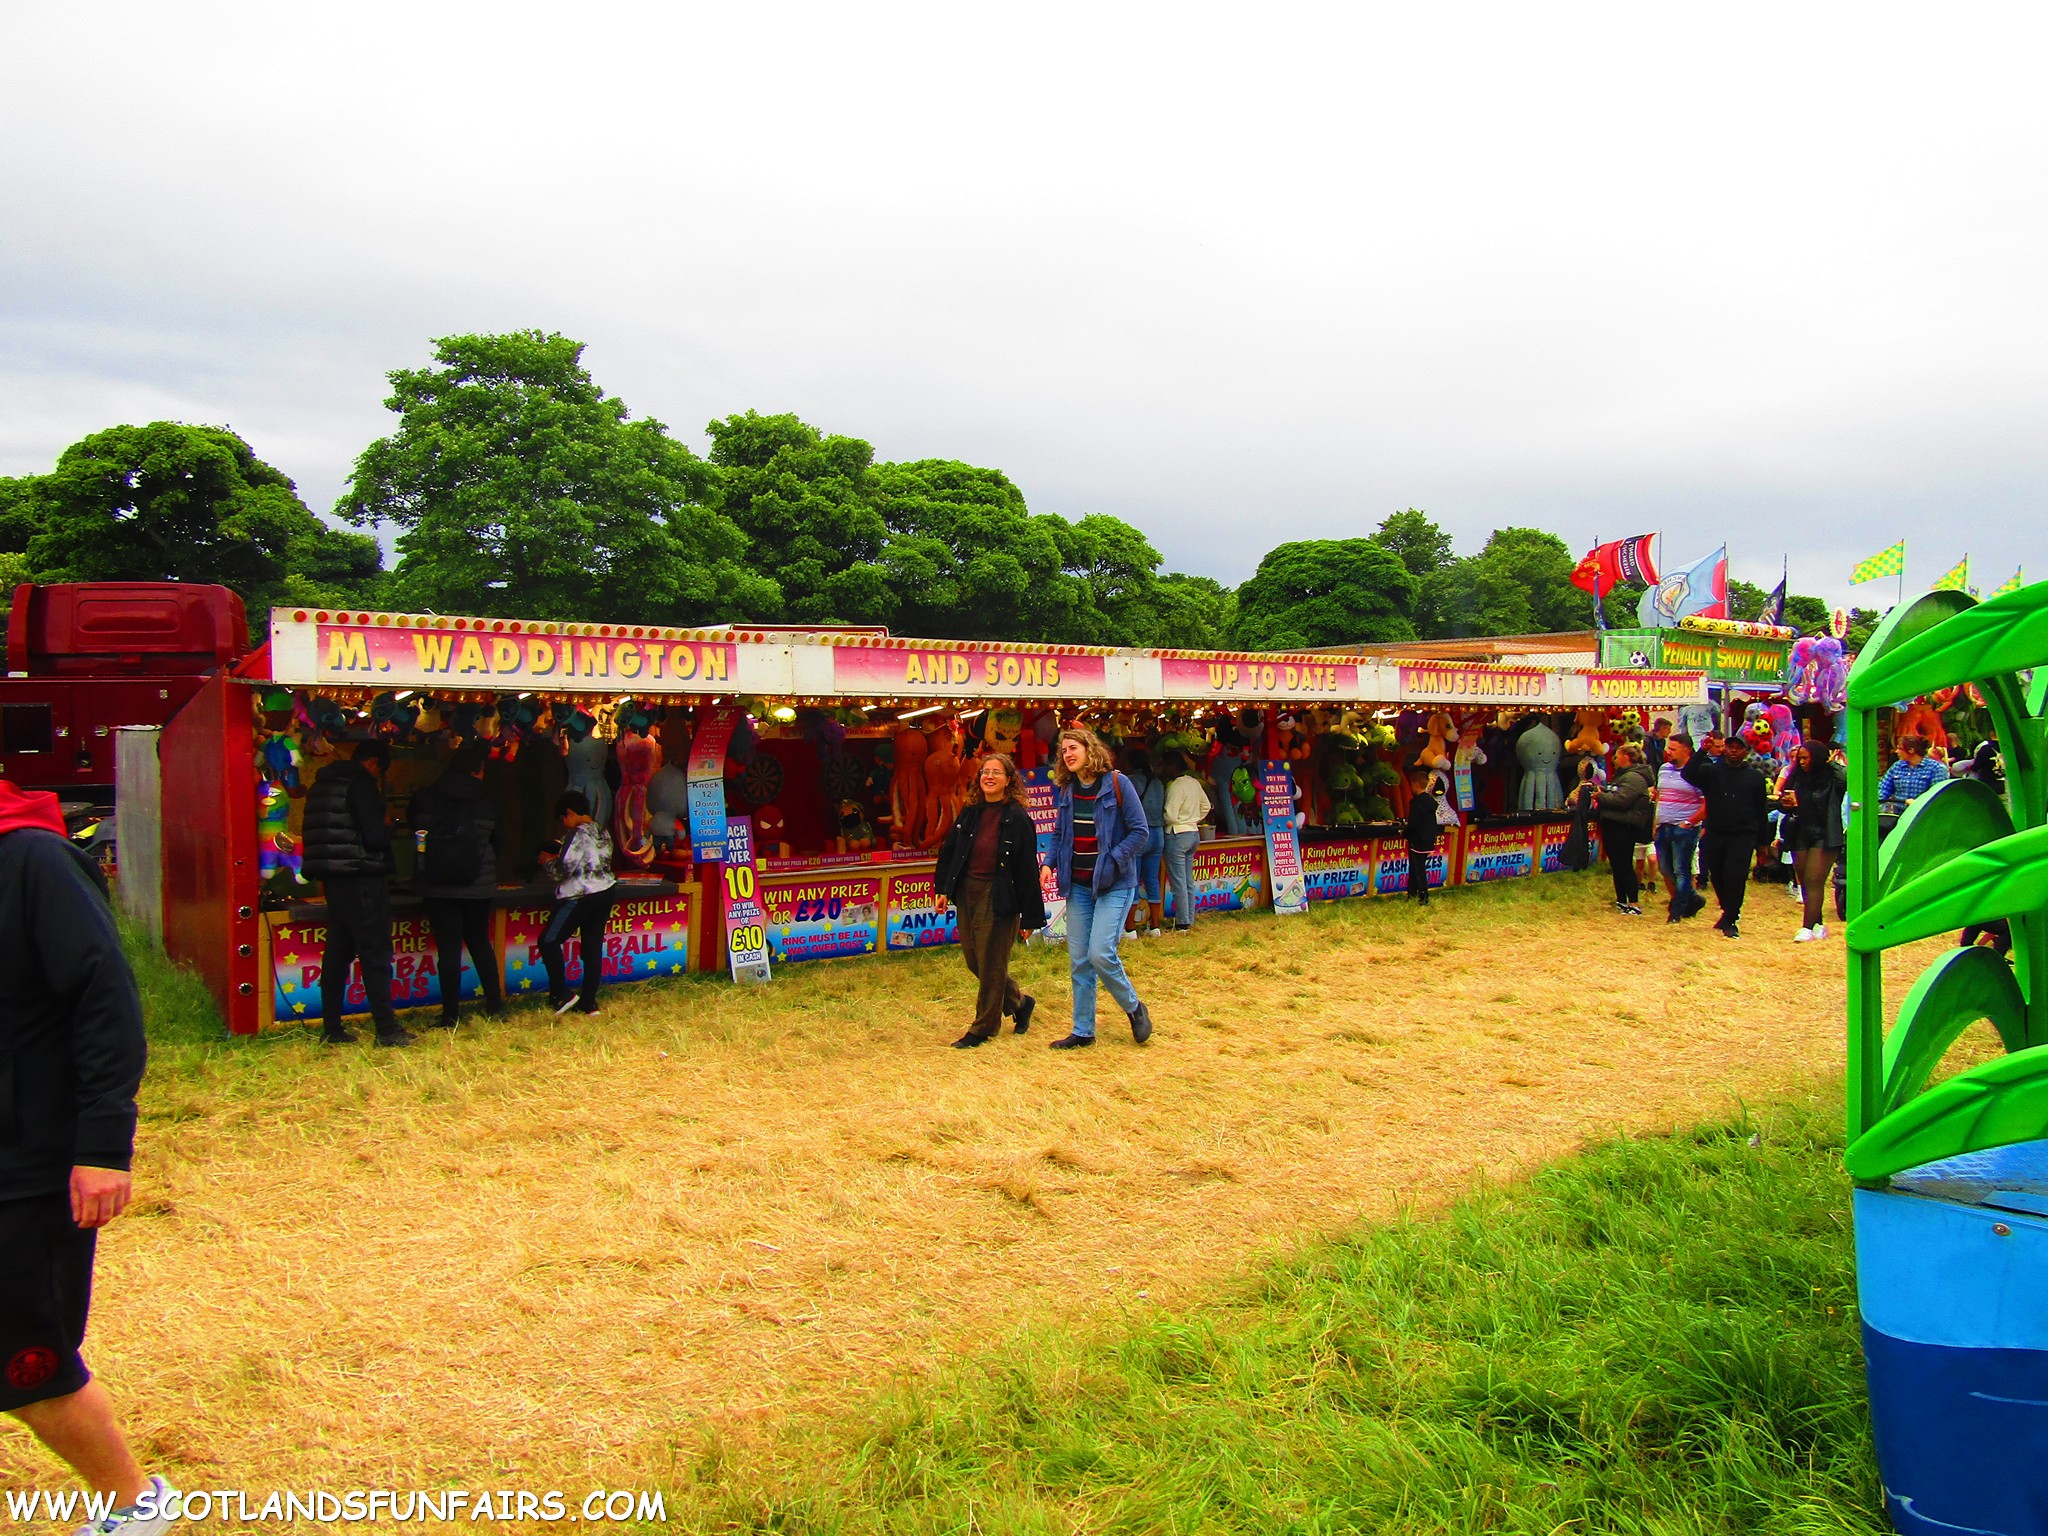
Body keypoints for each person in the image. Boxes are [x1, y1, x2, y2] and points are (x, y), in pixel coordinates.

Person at [0, 777, 177, 1532]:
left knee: (26, 1358)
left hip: (25, 1166)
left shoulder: (32, 858)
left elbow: (106, 998)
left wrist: (104, 1145)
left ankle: (136, 1504)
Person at [1047, 728, 1153, 1049]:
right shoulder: (1067, 789)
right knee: (1079, 959)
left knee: (1100, 953)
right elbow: (1058, 834)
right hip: (1077, 886)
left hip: (1114, 884)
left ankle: (1134, 1008)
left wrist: (1112, 859)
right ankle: (1083, 1031)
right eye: (1063, 750)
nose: (1067, 753)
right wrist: (1048, 864)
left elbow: (1140, 832)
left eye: (1073, 747)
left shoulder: (1119, 784)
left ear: (1089, 749)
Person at [932, 754, 1047, 1048]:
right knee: (976, 961)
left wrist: (1030, 917)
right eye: (985, 772)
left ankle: (983, 1028)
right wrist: (943, 889)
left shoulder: (1018, 818)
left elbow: (1026, 869)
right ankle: (1020, 1003)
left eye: (997, 772)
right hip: (968, 890)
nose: (989, 777)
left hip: (999, 896)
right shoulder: (971, 811)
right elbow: (951, 850)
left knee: (992, 962)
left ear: (1009, 780)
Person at [301, 740, 411, 1046]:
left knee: (337, 951)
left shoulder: (321, 785)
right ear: (373, 763)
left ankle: (332, 1028)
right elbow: (374, 837)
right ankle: (387, 1030)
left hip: (333, 880)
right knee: (374, 950)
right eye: (379, 772)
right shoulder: (360, 784)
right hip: (361, 876)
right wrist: (389, 824)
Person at [409, 740, 507, 1028]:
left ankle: (451, 1013)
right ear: (477, 772)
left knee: (448, 949)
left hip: (438, 885)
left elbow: (418, 838)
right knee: (479, 942)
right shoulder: (486, 800)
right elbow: (498, 842)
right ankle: (495, 1005)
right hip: (478, 885)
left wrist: (424, 868)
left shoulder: (427, 797)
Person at [1683, 732, 1772, 938]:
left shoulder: (1755, 777)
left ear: (1746, 752)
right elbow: (1688, 774)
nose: (1733, 750)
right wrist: (1702, 750)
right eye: (1729, 746)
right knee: (1718, 874)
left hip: (1743, 833)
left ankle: (1732, 918)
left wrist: (1762, 843)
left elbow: (1761, 810)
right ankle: (1727, 909)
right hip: (1716, 830)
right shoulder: (1712, 771)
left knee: (1736, 875)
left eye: (1738, 747)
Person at [538, 789, 618, 1016]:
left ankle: (562, 994)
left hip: (581, 894)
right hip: (605, 891)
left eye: (564, 819)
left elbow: (563, 870)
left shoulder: (577, 834)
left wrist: (546, 862)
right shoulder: (602, 830)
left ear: (570, 812)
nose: (564, 825)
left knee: (549, 941)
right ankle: (589, 1001)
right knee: (592, 946)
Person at [1778, 740, 1846, 942]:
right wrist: (1786, 803)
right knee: (1804, 882)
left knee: (1814, 880)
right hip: (1800, 831)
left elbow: (1846, 779)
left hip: (1824, 833)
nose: (1802, 762)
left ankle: (1807, 927)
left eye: (1805, 758)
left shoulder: (1831, 778)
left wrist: (1832, 763)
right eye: (1799, 758)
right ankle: (1818, 923)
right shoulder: (1797, 777)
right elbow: (1784, 802)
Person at [1653, 733, 1707, 923]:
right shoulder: (1663, 769)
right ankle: (1693, 898)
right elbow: (1659, 796)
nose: (1668, 752)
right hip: (1663, 826)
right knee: (1665, 868)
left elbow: (1706, 803)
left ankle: (1676, 912)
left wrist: (1690, 822)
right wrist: (1655, 823)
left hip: (1684, 828)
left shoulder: (1697, 773)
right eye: (1668, 748)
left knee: (1681, 870)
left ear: (1686, 751)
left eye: (1673, 749)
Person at [1597, 745, 1655, 915]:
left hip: (1623, 826)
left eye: (1617, 755)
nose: (1615, 758)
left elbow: (1622, 800)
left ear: (1627, 757)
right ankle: (1621, 900)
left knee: (1624, 865)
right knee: (1617, 865)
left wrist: (1599, 796)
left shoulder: (1634, 777)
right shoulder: (1623, 775)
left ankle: (1634, 903)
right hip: (1614, 824)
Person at [1120, 746, 1167, 938]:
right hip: (1158, 834)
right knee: (1152, 880)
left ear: (1131, 763)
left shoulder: (1130, 781)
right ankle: (1154, 925)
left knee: (1133, 881)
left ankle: (1130, 929)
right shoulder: (1158, 782)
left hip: (1140, 835)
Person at [1160, 751, 1208, 933]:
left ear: (1172, 766)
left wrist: (1169, 819)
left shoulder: (1176, 786)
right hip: (1193, 833)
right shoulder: (1194, 782)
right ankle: (1189, 918)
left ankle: (1182, 923)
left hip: (1177, 833)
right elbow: (1206, 805)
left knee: (1178, 881)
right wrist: (1194, 818)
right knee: (1188, 880)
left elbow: (1170, 814)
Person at [1878, 734, 1946, 811]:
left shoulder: (1936, 768)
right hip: (1897, 814)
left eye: (1899, 748)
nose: (1896, 751)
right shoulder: (1897, 766)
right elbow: (1883, 788)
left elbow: (1938, 796)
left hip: (1922, 814)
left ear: (1911, 750)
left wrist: (1918, 803)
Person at [1404, 770, 1440, 906]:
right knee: (1415, 869)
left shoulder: (1417, 803)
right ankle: (1411, 894)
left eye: (1411, 785)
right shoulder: (1431, 802)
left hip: (1417, 841)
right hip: (1428, 841)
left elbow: (1414, 824)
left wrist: (1405, 834)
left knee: (1418, 870)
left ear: (1417, 785)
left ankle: (1423, 897)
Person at [1560, 759, 1597, 872]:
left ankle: (1577, 860)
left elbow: (1573, 800)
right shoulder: (1594, 787)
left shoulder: (1583, 787)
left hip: (1580, 817)